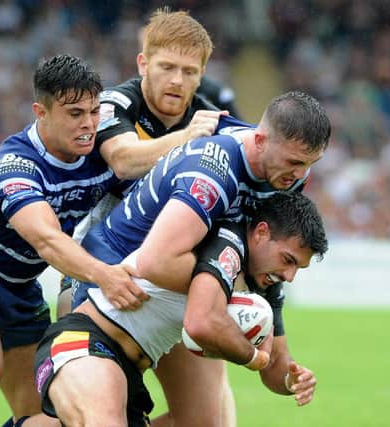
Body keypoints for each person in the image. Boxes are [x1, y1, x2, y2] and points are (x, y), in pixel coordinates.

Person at [66, 90, 330, 426]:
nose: (301, 174)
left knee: (204, 422)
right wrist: (229, 292)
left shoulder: (283, 179)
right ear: (260, 140)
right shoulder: (213, 170)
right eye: (295, 161)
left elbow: (259, 271)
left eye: (310, 164)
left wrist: (292, 377)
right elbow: (156, 262)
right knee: (89, 418)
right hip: (107, 279)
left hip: (171, 288)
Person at [0, 54, 139, 427]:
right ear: (41, 111)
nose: (88, 124)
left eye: (94, 111)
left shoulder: (102, 153)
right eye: (74, 113)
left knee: (46, 418)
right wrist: (107, 277)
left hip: (20, 290)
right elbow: (48, 241)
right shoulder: (14, 165)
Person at [35, 191, 328, 426]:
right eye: (287, 260)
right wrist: (252, 357)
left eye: (297, 269)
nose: (289, 276)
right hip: (84, 342)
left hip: (129, 373)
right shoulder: (224, 246)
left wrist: (293, 380)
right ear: (261, 232)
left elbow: (275, 360)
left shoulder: (265, 281)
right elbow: (202, 326)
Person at [55, 8, 225, 318]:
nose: (177, 80)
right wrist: (188, 137)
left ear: (202, 75)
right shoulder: (112, 104)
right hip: (99, 263)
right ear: (143, 64)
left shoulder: (210, 120)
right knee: (74, 354)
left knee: (212, 366)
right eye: (167, 67)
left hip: (166, 271)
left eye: (189, 71)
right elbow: (123, 161)